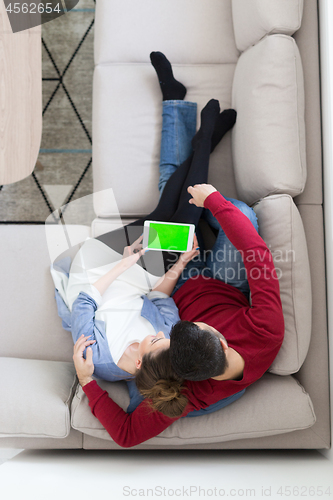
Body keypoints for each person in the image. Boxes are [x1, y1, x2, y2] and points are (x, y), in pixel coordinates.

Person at [71, 55, 285, 447]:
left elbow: (126, 434)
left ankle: (180, 108)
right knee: (238, 212)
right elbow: (256, 254)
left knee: (174, 193)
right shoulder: (266, 333)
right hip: (225, 279)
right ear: (221, 340)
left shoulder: (184, 389)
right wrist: (215, 203)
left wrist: (88, 381)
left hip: (176, 278)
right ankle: (205, 139)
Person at [51, 52, 238, 387]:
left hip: (95, 272)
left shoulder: (100, 358)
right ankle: (202, 136)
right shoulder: (168, 349)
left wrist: (125, 262)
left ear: (138, 361)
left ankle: (205, 137)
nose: (161, 335)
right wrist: (180, 265)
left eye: (156, 341)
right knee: (173, 218)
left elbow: (84, 301)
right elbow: (160, 299)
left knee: (180, 217)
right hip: (139, 278)